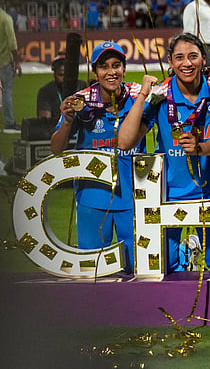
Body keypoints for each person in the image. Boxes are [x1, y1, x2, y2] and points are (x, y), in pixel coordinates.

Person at [118, 33, 210, 273]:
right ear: (170, 61)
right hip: (168, 195)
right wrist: (142, 97)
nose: (186, 63)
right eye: (179, 58)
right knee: (165, 267)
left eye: (193, 56)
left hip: (209, 192)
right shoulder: (161, 97)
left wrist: (200, 148)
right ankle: (185, 252)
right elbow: (125, 142)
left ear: (203, 59)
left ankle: (193, 251)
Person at [49, 42, 143, 270]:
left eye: (117, 65)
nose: (111, 72)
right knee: (92, 268)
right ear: (95, 72)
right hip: (92, 197)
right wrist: (68, 121)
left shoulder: (140, 95)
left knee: (136, 269)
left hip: (133, 196)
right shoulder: (80, 101)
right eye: (104, 67)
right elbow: (56, 148)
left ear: (124, 68)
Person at [0, 1, 18, 132]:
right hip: (4, 60)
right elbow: (12, 43)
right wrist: (17, 62)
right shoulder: (5, 18)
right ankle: (10, 122)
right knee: (6, 91)